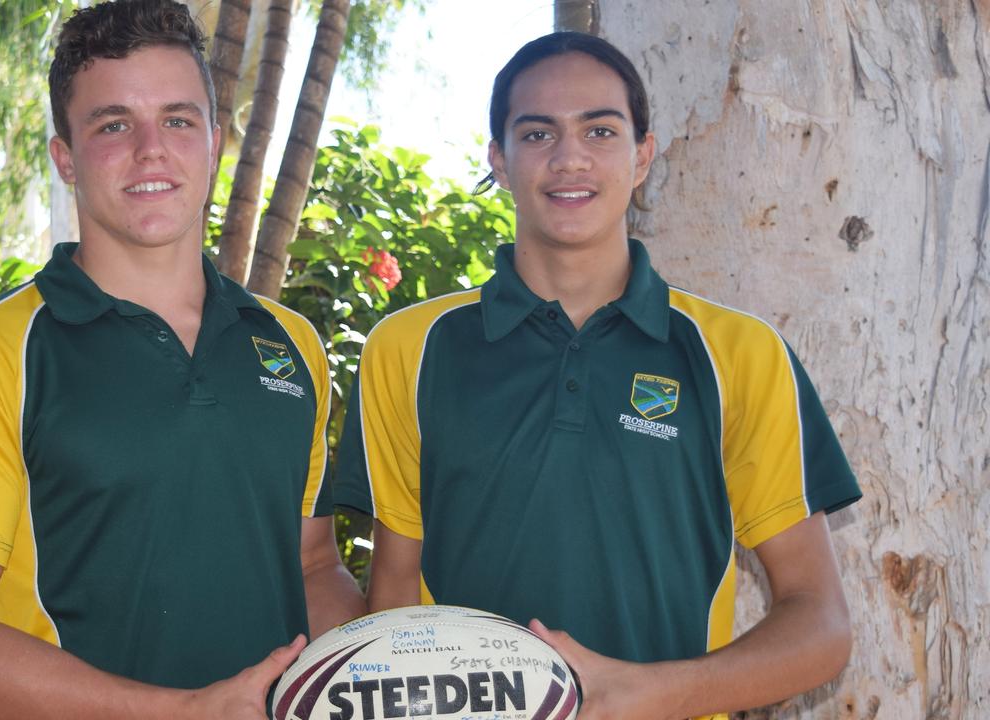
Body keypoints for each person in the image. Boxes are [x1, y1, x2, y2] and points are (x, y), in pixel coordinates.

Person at [334, 31, 860, 720]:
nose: (569, 157)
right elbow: (394, 599)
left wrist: (647, 696)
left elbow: (820, 626)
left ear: (643, 154)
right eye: (537, 133)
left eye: (600, 130)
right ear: (498, 158)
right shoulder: (408, 348)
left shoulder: (741, 355)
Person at [0, 1, 363, 716]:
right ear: (65, 157)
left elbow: (313, 565)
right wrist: (180, 711)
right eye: (113, 125)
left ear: (214, 141)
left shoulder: (288, 345)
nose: (151, 149)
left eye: (177, 119)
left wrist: (390, 663)